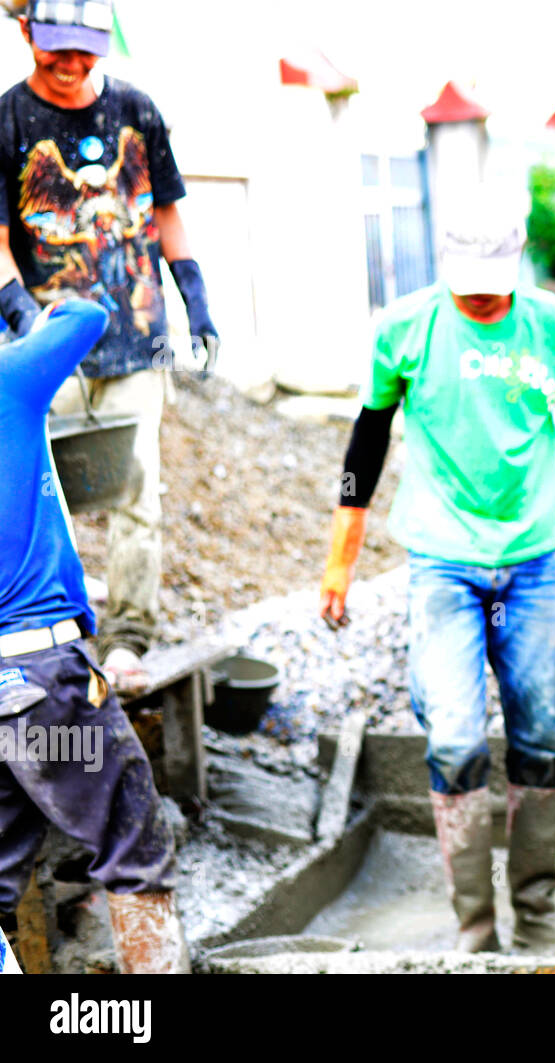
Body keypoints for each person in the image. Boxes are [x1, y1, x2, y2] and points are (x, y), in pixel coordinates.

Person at [319, 187, 555, 952]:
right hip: (441, 564)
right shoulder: (406, 329)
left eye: (493, 284)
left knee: (542, 732)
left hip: (532, 562)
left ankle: (537, 912)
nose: (481, 299)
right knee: (452, 739)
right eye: (467, 283)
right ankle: (475, 924)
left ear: (516, 265)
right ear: (446, 267)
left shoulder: (548, 325)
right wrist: (339, 561)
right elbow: (365, 446)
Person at [0, 0, 219, 696]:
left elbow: (164, 212)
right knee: (42, 494)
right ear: (26, 32)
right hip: (44, 349)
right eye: (53, 54)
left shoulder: (137, 110)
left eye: (83, 56)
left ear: (103, 44)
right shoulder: (6, 120)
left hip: (136, 340)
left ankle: (128, 637)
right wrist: (21, 313)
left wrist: (196, 298)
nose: (69, 69)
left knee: (134, 495)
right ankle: (52, 630)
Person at [0, 298, 188, 974]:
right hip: (45, 689)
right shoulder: (10, 378)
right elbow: (87, 316)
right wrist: (25, 307)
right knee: (132, 842)